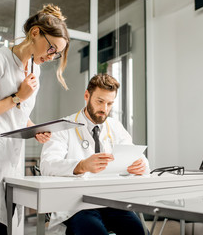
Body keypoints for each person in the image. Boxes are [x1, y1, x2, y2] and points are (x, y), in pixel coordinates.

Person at [0, 4, 70, 235]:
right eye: (51, 49)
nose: (52, 57)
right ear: (36, 33)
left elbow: (19, 115)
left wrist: (35, 128)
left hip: (11, 156)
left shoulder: (34, 70)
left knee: (10, 223)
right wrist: (18, 96)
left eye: (56, 54)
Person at [40, 74, 149, 235]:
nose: (104, 109)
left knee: (137, 230)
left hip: (111, 202)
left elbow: (135, 154)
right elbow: (47, 164)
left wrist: (141, 165)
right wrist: (81, 165)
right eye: (100, 101)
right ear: (86, 96)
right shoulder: (64, 126)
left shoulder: (115, 126)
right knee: (94, 231)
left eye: (110, 103)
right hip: (76, 205)